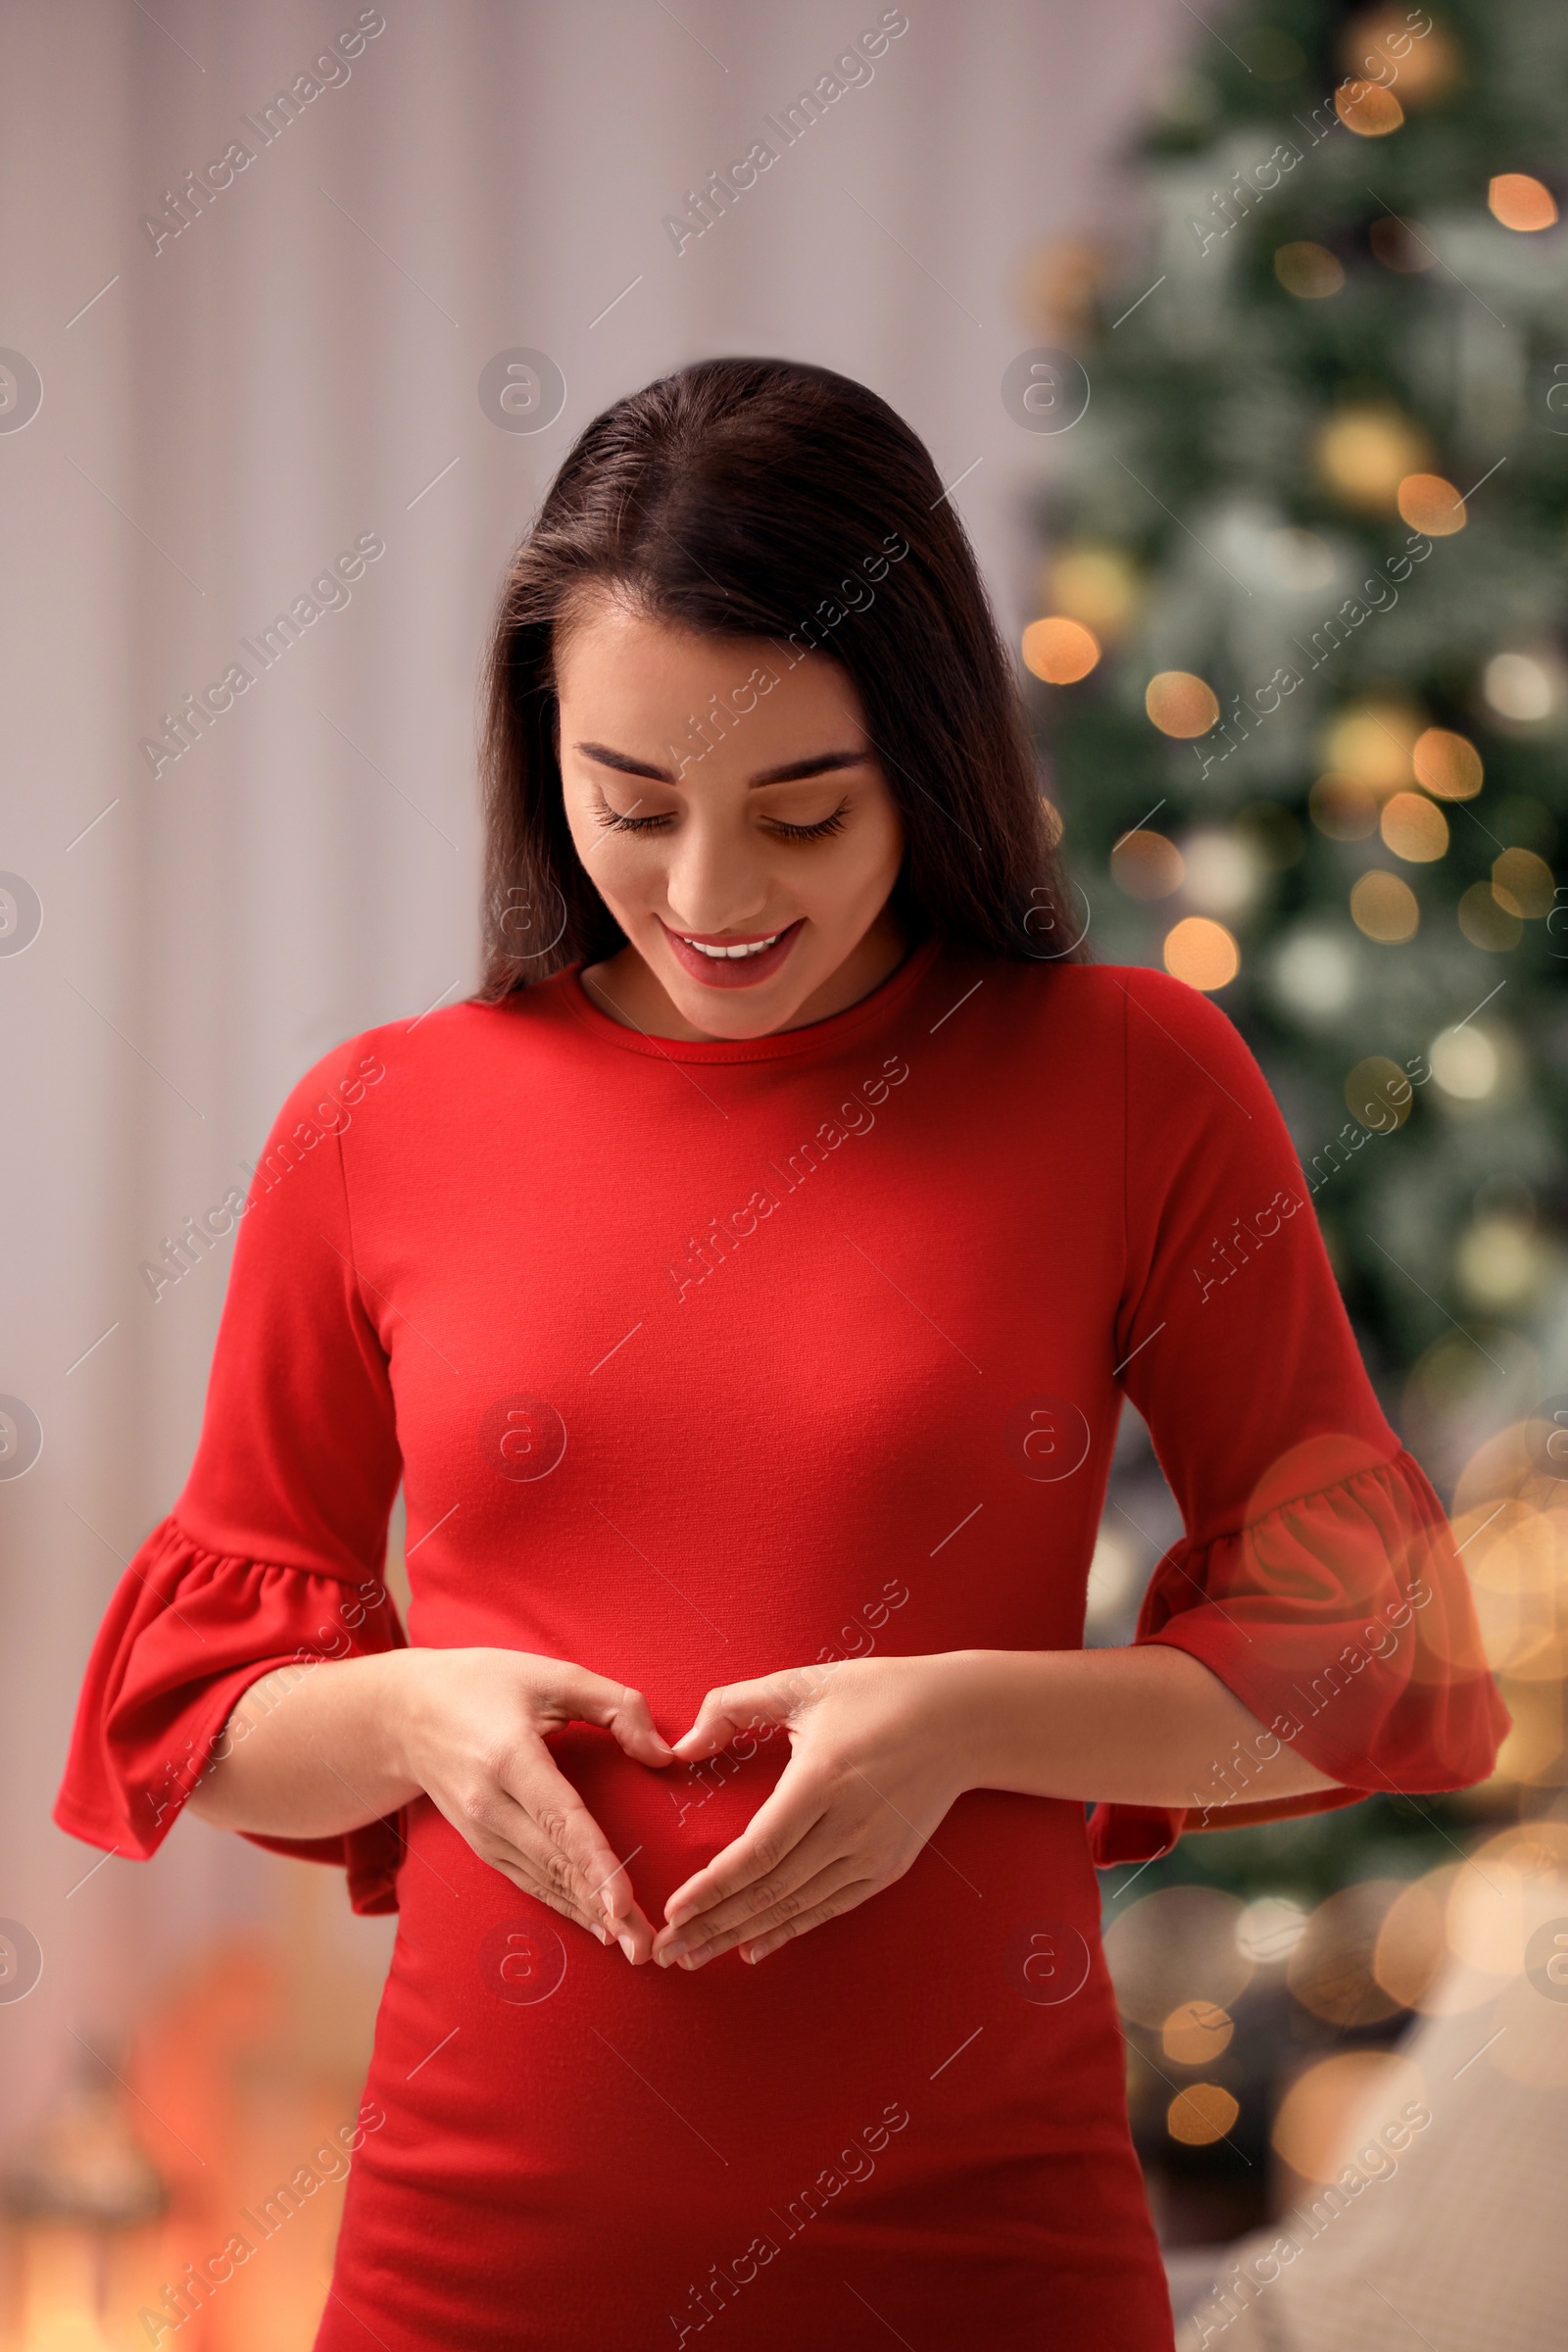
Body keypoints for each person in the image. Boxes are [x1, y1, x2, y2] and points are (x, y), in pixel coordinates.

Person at [54, 357, 1508, 2351]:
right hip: (473, 2269)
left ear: (924, 752)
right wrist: (413, 1716)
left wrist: (963, 1726)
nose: (713, 897)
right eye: (630, 804)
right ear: (536, 747)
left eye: (802, 810)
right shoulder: (372, 1123)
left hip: (981, 2261)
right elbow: (193, 1701)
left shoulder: (1126, 1085)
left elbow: (1369, 1653)